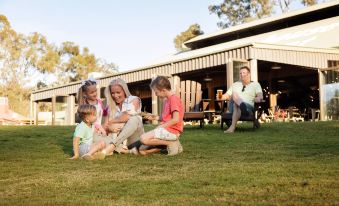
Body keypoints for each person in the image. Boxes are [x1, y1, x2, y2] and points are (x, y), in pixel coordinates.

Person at [97, 78, 144, 157]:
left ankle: (112, 147)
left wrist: (111, 122)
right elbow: (105, 126)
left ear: (124, 90)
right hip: (120, 142)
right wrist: (109, 128)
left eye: (118, 92)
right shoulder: (111, 105)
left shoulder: (134, 100)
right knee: (95, 134)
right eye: (113, 93)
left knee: (134, 119)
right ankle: (124, 150)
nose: (115, 96)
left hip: (134, 139)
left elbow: (126, 116)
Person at [139, 76, 184, 156]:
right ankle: (172, 145)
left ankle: (170, 143)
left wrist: (161, 126)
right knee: (142, 149)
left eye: (156, 92)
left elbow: (176, 119)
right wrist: (154, 117)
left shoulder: (174, 99)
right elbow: (165, 118)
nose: (156, 94)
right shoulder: (167, 100)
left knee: (143, 139)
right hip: (167, 130)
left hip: (172, 131)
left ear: (163, 90)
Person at [221, 66, 263, 133]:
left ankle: (232, 128)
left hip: (248, 106)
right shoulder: (235, 84)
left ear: (249, 74)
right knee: (234, 94)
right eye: (240, 73)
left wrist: (257, 99)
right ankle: (241, 105)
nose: (241, 74)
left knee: (236, 105)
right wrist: (220, 97)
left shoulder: (255, 84)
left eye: (243, 73)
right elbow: (226, 96)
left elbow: (260, 97)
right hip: (233, 106)